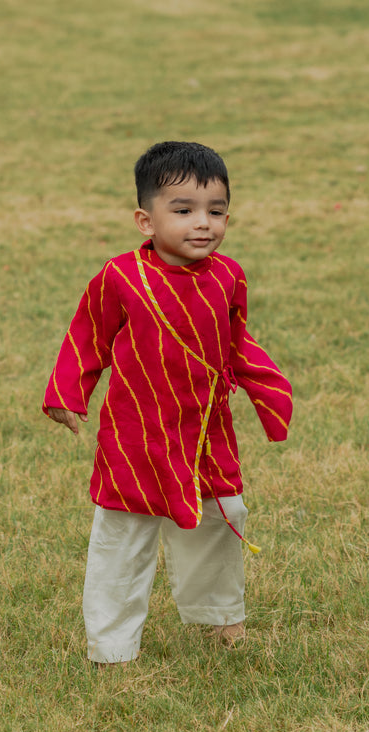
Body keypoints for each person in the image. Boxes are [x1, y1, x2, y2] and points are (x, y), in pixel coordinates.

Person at [43, 141, 292, 664]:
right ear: (145, 219)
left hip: (206, 431)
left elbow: (236, 343)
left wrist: (269, 392)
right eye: (183, 211)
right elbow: (87, 336)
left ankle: (219, 617)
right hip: (137, 435)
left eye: (216, 211)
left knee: (221, 521)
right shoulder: (121, 277)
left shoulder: (229, 276)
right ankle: (111, 645)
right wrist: (68, 393)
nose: (203, 223)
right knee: (124, 536)